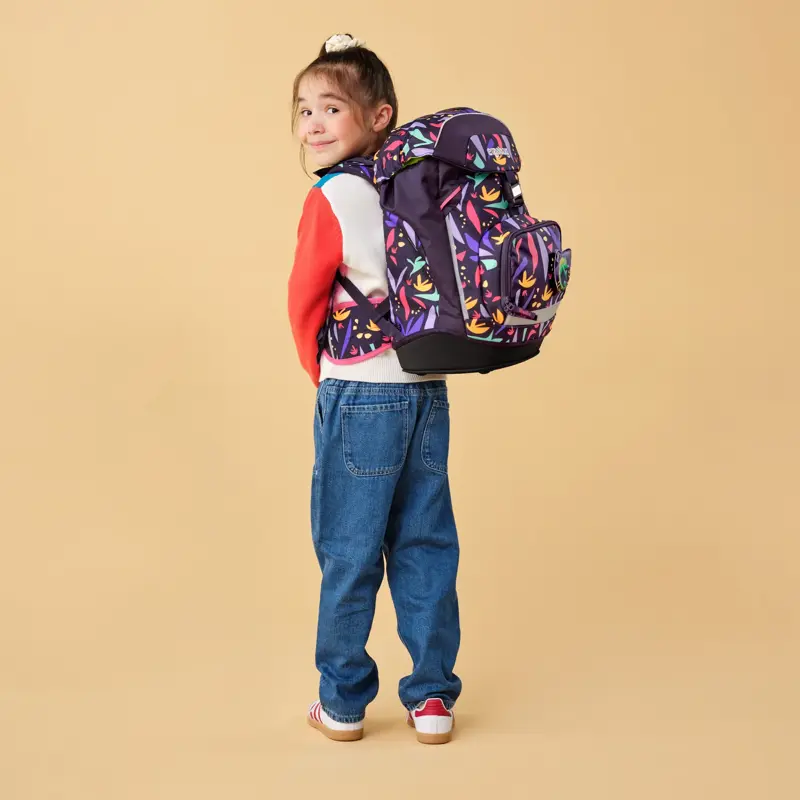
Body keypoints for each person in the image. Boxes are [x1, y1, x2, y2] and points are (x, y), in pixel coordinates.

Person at [288, 33, 461, 745]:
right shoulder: (419, 184)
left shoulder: (334, 196)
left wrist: (320, 370)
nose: (314, 124)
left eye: (332, 108)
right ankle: (432, 698)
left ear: (379, 115)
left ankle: (343, 702)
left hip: (359, 390)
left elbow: (305, 296)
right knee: (425, 540)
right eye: (304, 110)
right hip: (427, 385)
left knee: (349, 549)